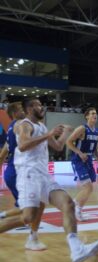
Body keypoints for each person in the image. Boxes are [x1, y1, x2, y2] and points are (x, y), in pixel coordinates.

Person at [0, 98, 98, 262]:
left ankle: (77, 249)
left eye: (41, 104)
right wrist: (49, 134)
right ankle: (31, 237)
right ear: (28, 109)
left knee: (68, 204)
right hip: (28, 175)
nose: (42, 107)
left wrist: (65, 134)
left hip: (44, 176)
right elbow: (23, 145)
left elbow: (58, 146)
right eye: (37, 105)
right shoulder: (23, 125)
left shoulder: (42, 126)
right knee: (27, 217)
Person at [0, 102, 47, 250]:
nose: (24, 111)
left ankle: (33, 237)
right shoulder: (20, 124)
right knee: (30, 210)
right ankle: (31, 238)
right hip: (19, 170)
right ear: (14, 113)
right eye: (21, 109)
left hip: (13, 170)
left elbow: (5, 150)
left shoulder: (12, 128)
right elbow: (22, 145)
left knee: (34, 205)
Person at [67, 107, 98, 222]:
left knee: (89, 188)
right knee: (88, 187)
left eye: (96, 113)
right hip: (78, 159)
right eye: (92, 113)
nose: (95, 115)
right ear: (87, 116)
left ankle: (74, 207)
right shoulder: (82, 128)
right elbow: (68, 142)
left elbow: (95, 149)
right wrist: (79, 152)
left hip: (88, 159)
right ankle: (75, 209)